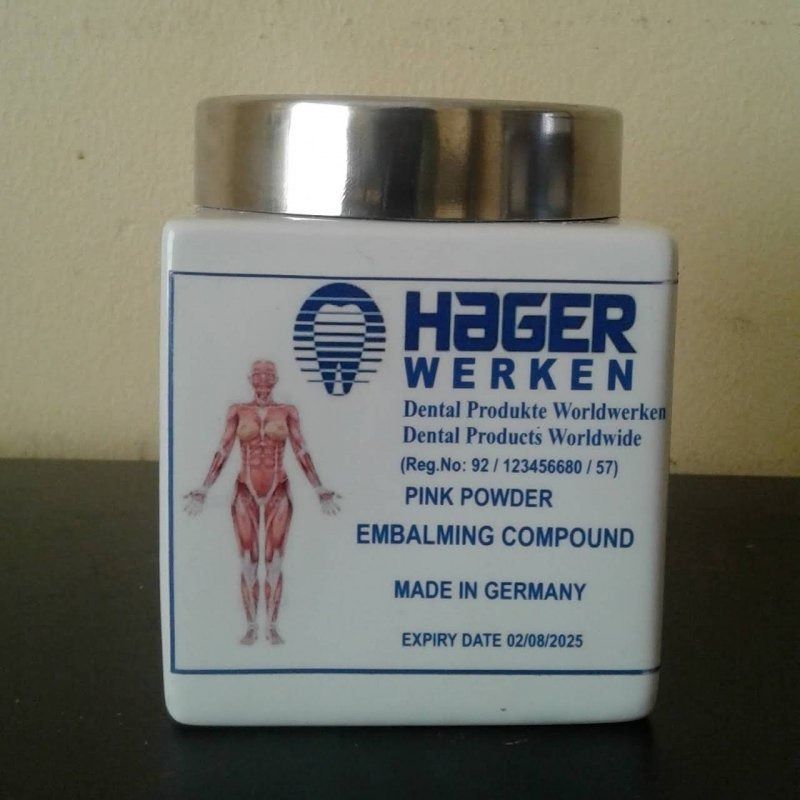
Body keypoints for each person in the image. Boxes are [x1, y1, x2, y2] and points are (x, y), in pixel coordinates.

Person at [184, 360, 339, 644]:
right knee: (247, 562)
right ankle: (251, 625)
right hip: (245, 488)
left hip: (278, 488)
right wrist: (204, 488)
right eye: (258, 375)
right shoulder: (237, 411)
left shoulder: (288, 411)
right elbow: (223, 449)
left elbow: (301, 450)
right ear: (250, 379)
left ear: (276, 379)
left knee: (275, 562)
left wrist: (319, 488)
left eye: (268, 375)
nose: (263, 380)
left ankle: (273, 626)